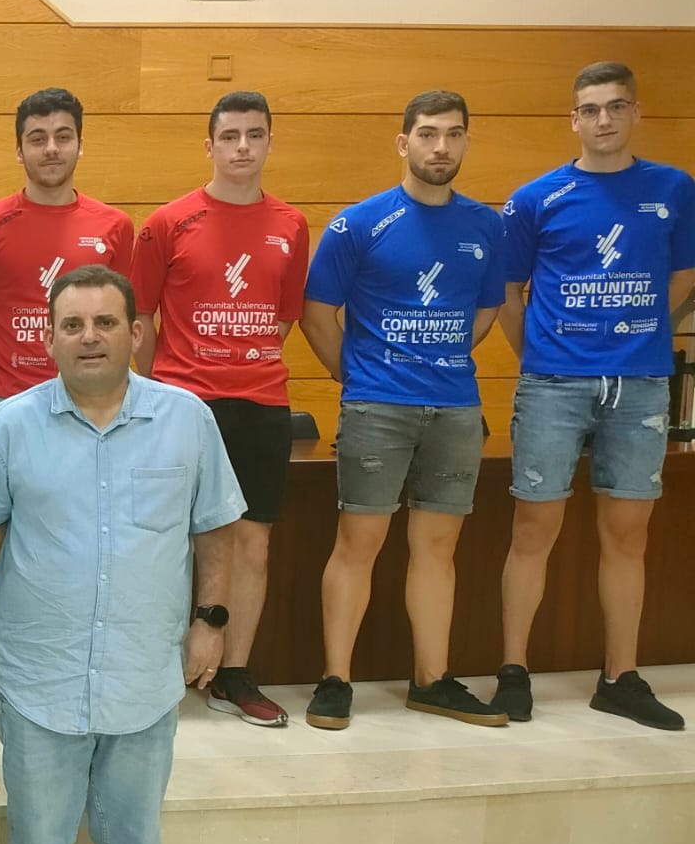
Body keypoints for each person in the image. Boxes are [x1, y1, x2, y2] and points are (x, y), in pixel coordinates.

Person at [0, 265, 243, 844]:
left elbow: (215, 531)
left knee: (132, 842)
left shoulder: (186, 421)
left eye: (104, 322)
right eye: (72, 324)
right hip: (39, 670)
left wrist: (210, 622)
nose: (89, 336)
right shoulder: (12, 425)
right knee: (41, 842)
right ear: (48, 337)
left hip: (142, 670)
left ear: (135, 332)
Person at [494, 61, 695, 730]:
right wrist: (550, 358)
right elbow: (510, 296)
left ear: (635, 112)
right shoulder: (535, 199)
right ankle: (514, 673)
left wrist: (634, 339)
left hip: (639, 386)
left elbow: (682, 277)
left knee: (628, 534)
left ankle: (620, 676)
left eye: (615, 106)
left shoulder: (672, 189)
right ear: (573, 119)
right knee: (534, 528)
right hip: (554, 384)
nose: (603, 119)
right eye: (590, 109)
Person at [299, 92, 508, 730]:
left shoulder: (486, 226)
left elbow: (485, 311)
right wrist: (361, 377)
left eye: (452, 134)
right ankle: (335, 680)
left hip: (455, 407)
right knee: (358, 542)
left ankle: (432, 680)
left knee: (437, 548)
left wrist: (433, 360)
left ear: (466, 142)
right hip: (376, 407)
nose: (439, 146)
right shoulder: (357, 225)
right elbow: (316, 314)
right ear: (403, 143)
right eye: (426, 134)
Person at [0, 86, 133, 730]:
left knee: (91, 544)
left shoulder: (113, 227)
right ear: (19, 146)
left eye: (62, 135)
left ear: (79, 141)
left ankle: (84, 674)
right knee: (1, 550)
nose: (50, 149)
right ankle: (1, 678)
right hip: (9, 407)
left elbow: (127, 325)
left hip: (95, 410)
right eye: (37, 137)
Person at [130, 90, 310, 727]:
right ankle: (162, 668)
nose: (242, 147)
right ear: (208, 145)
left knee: (252, 543)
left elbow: (283, 319)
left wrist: (241, 362)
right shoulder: (167, 223)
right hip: (185, 402)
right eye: (229, 135)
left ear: (268, 143)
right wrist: (162, 390)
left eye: (254, 135)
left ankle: (233, 673)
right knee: (176, 540)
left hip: (261, 403)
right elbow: (141, 319)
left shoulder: (291, 223)